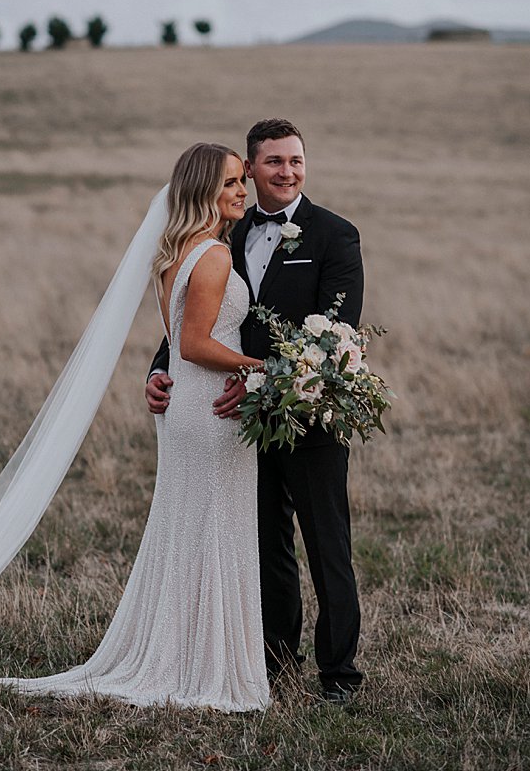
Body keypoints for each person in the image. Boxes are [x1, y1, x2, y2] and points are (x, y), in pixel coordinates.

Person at [0, 143, 271, 711]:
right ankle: (203, 668)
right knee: (213, 527)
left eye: (243, 181)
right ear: (204, 191)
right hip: (213, 408)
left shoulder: (177, 253)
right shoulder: (213, 255)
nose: (244, 191)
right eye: (233, 182)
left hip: (189, 406)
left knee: (192, 526)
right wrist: (268, 369)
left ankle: (186, 653)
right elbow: (193, 345)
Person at [147, 119, 364, 704]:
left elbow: (334, 337)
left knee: (327, 543)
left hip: (306, 414)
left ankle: (339, 673)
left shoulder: (335, 236)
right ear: (251, 168)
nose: (286, 171)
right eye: (272, 163)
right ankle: (271, 656)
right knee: (263, 541)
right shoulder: (230, 232)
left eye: (295, 160)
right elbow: (196, 314)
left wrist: (263, 379)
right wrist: (160, 369)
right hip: (232, 416)